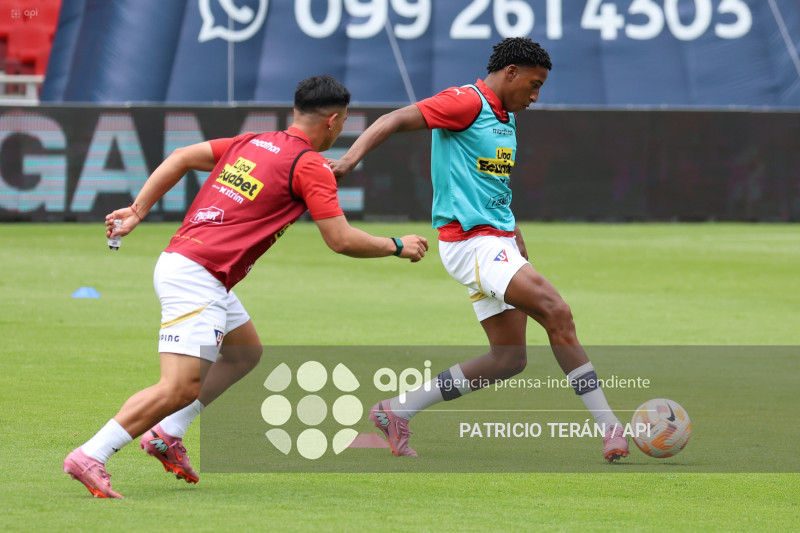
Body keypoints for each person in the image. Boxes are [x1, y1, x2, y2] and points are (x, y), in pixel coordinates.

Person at [63, 75, 429, 498]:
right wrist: (397, 245)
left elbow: (181, 155)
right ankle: (92, 454)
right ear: (332, 121)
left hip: (193, 266)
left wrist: (138, 210)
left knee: (243, 353)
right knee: (179, 386)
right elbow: (341, 240)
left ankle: (169, 432)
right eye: (344, 122)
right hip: (197, 276)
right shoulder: (309, 165)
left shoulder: (252, 142)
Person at [329, 38, 629, 462]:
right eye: (533, 84)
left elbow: (492, 188)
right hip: (472, 244)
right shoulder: (465, 102)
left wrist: (515, 237)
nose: (536, 95)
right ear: (510, 73)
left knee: (508, 358)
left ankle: (396, 411)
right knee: (557, 313)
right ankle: (611, 429)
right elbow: (396, 118)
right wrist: (348, 160)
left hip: (496, 242)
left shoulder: (505, 117)